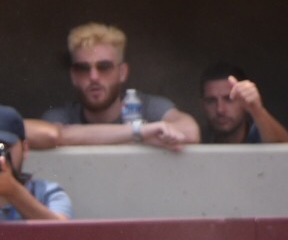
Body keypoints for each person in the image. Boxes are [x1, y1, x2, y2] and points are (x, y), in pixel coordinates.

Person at [41, 23, 199, 150]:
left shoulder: (147, 106)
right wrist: (141, 133)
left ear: (122, 72)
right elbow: (53, 135)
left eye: (104, 67)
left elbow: (190, 132)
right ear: (73, 76)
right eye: (83, 69)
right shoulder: (61, 116)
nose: (93, 77)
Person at [198, 62, 288, 144]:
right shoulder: (198, 139)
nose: (220, 109)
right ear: (202, 105)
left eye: (229, 99)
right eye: (211, 101)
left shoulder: (261, 133)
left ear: (244, 101)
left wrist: (256, 110)